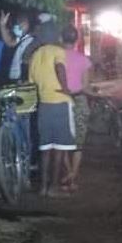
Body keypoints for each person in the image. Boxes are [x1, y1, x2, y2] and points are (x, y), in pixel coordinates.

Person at [29, 29, 75, 197]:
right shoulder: (58, 51)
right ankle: (53, 188)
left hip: (43, 104)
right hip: (59, 102)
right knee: (60, 148)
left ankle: (43, 187)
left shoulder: (35, 54)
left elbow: (32, 81)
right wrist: (64, 88)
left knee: (45, 149)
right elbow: (60, 67)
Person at [60, 25, 95, 192]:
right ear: (77, 40)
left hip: (61, 101)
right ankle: (73, 176)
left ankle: (68, 174)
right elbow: (86, 87)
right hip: (80, 100)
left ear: (61, 39)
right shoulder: (84, 60)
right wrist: (97, 94)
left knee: (64, 142)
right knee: (78, 143)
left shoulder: (56, 58)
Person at [0, 10, 35, 82]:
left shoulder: (31, 40)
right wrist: (2, 25)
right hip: (14, 78)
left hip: (22, 79)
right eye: (18, 23)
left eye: (22, 23)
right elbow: (9, 42)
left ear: (28, 24)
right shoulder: (21, 38)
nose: (19, 26)